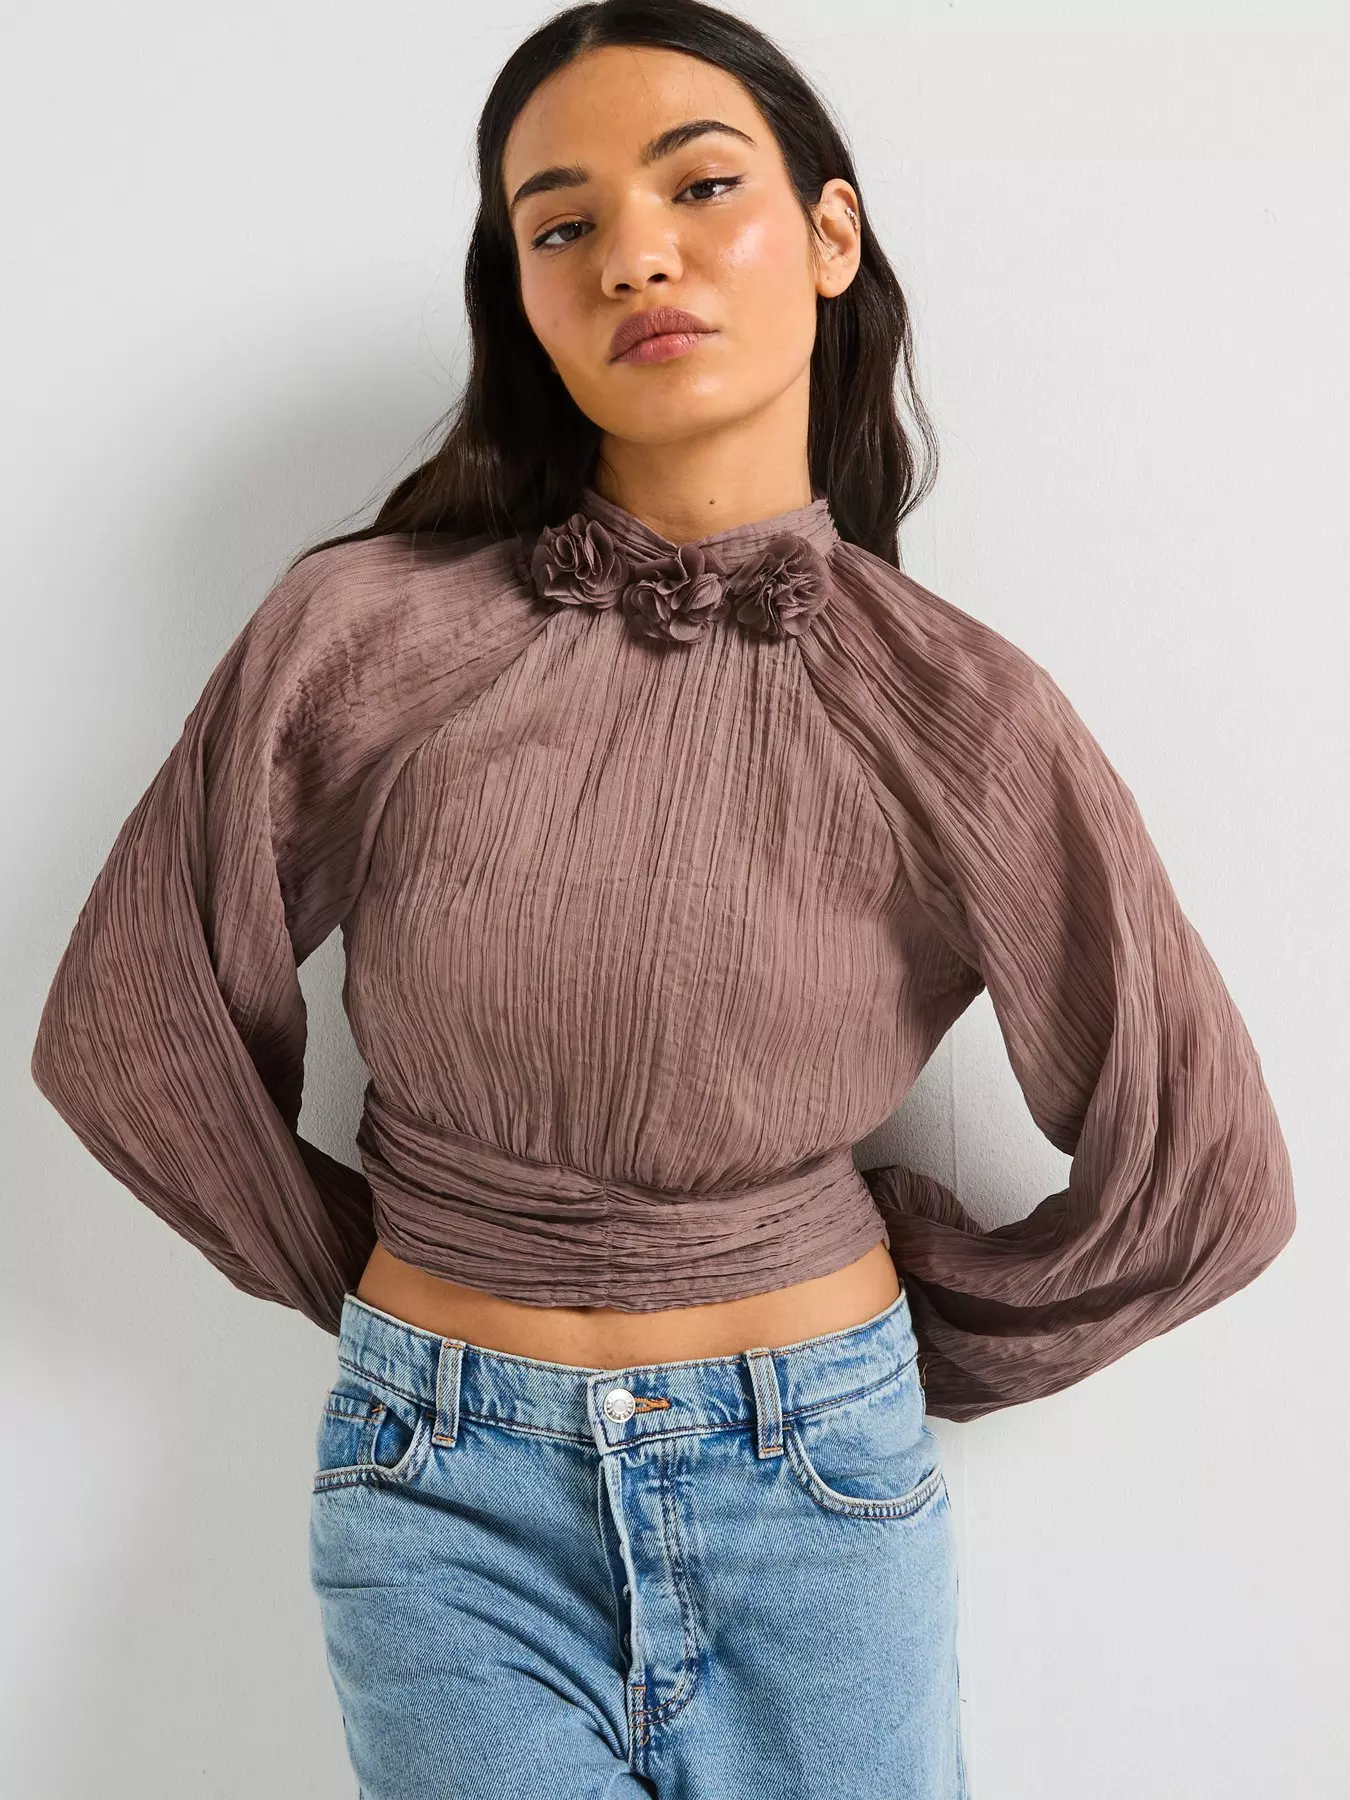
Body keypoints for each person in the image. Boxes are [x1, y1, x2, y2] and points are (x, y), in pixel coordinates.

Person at [29, 2, 1296, 1795]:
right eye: (560, 225)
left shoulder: (963, 711)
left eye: (699, 187)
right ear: (524, 300)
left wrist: (872, 1315)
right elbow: (128, 1031)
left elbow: (1207, 1181)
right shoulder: (365, 636)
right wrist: (416, 1292)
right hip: (439, 1503)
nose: (633, 253)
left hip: (815, 1495)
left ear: (830, 236)